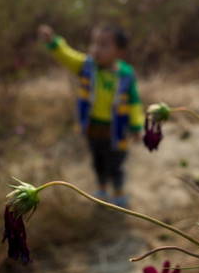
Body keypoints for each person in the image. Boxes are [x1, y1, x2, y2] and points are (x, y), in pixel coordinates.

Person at [37, 23, 144, 207]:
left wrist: (136, 126)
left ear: (120, 52)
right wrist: (53, 41)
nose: (95, 49)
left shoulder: (126, 75)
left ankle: (118, 193)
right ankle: (101, 191)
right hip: (94, 128)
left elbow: (134, 103)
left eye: (103, 44)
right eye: (94, 43)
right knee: (98, 160)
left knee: (116, 164)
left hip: (117, 130)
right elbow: (66, 55)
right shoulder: (87, 66)